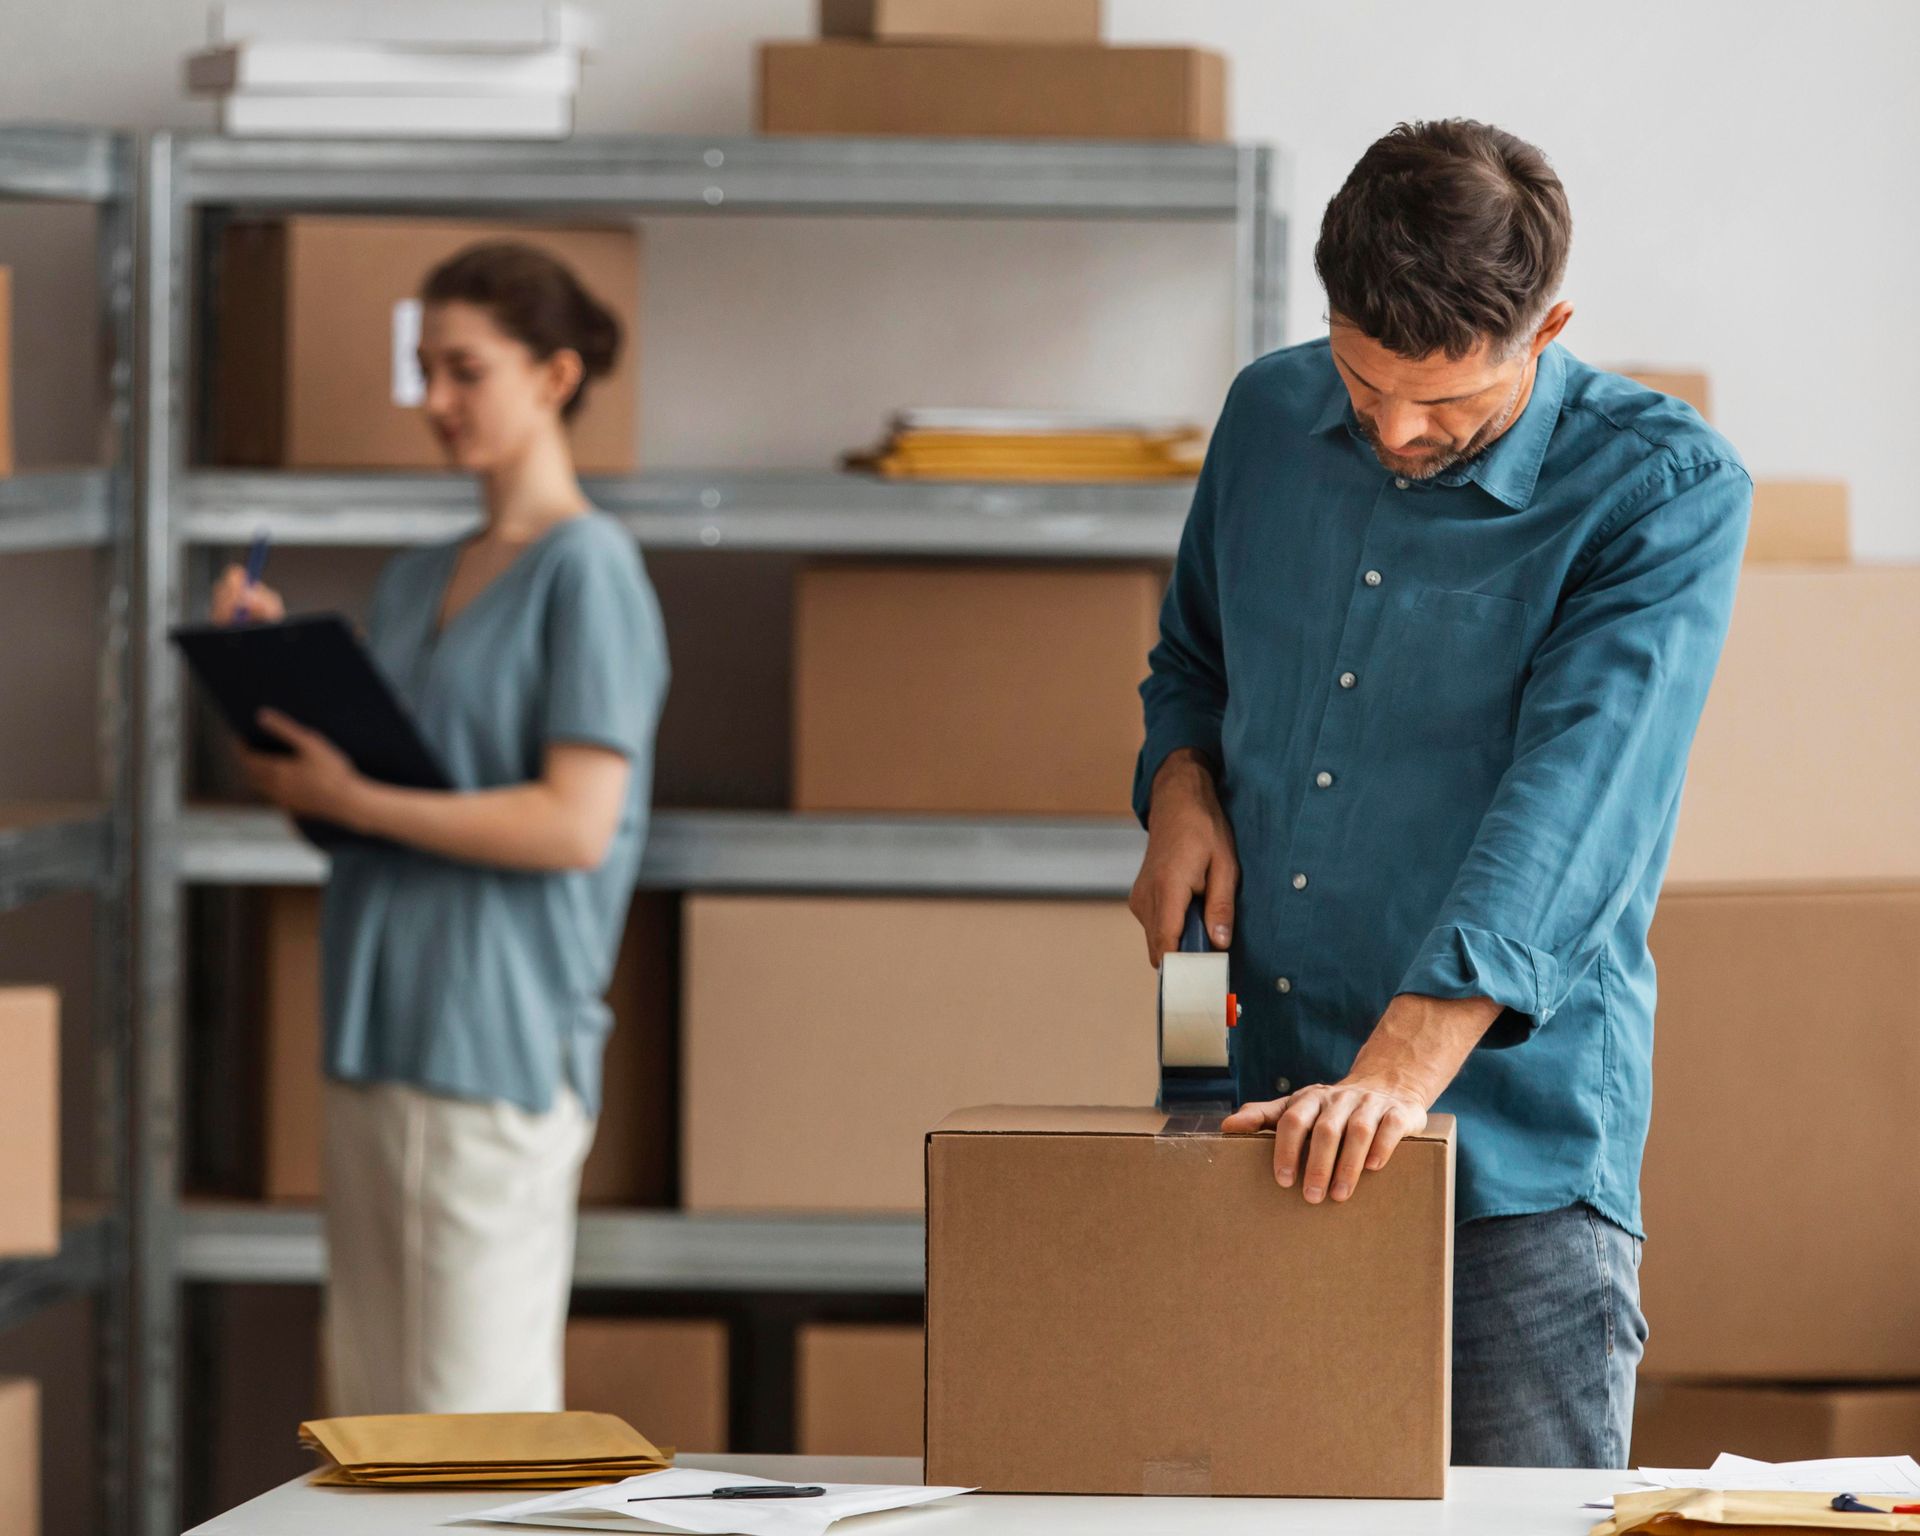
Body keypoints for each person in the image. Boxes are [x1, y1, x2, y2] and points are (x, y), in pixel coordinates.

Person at [1128, 120, 1751, 1467]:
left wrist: (1396, 1078)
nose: (1396, 431)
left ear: (1550, 325)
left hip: (1508, 1171)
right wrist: (1178, 782)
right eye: (1364, 386)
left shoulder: (1664, 490)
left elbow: (1580, 805)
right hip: (1236, 1107)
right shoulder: (1263, 415)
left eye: (1447, 404)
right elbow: (1191, 660)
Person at [211, 242, 669, 1414]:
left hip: (496, 1046)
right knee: (366, 1420)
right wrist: (260, 689)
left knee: (475, 1424)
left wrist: (357, 800)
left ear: (555, 375)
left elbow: (575, 826)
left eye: (465, 369)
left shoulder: (590, 573)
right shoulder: (415, 579)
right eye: (423, 370)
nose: (438, 401)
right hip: (373, 1032)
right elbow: (359, 817)